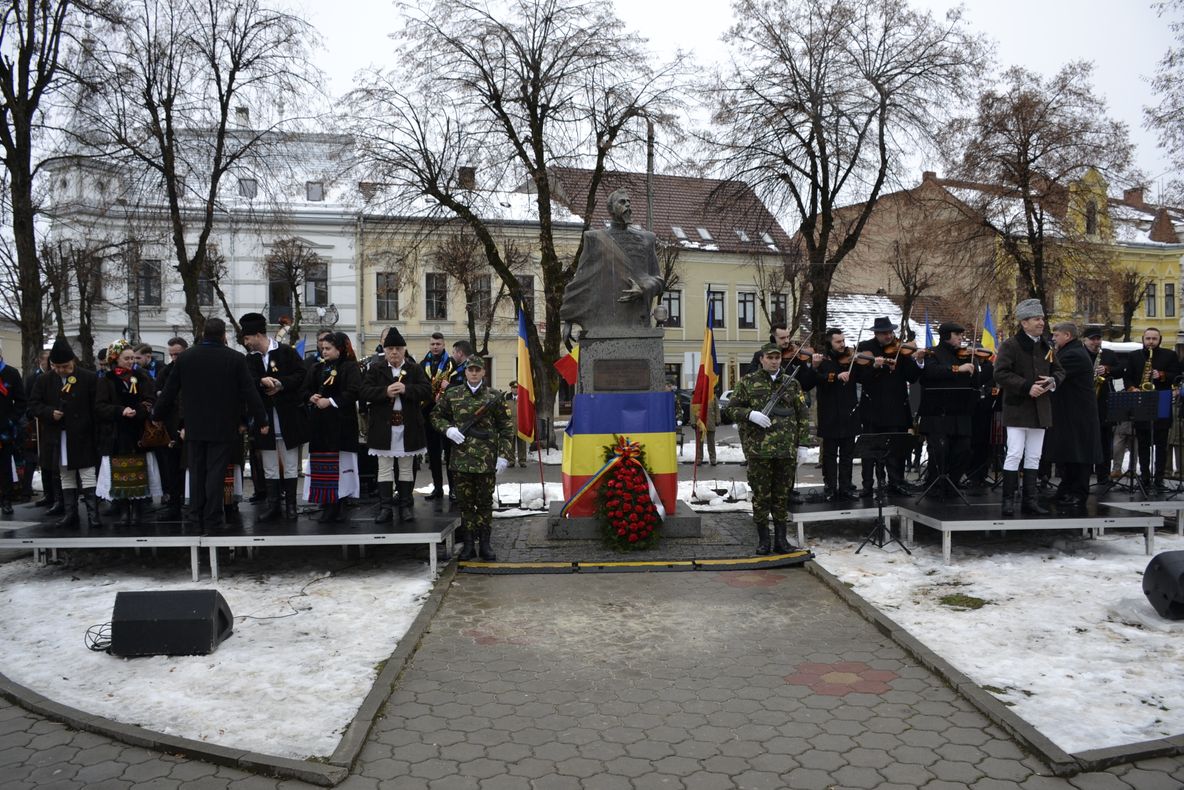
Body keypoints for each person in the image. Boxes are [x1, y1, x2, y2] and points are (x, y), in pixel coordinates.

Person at [154, 318, 268, 529]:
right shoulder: (234, 358)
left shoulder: (186, 358)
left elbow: (170, 391)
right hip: (223, 426)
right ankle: (213, 517)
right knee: (216, 472)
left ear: (204, 333)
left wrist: (156, 415)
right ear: (224, 335)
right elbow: (249, 392)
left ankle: (195, 515)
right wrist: (261, 419)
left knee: (196, 470)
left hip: (195, 425)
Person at [724, 343, 808, 555]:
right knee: (761, 496)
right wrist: (750, 414)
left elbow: (802, 415)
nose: (774, 361)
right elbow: (731, 409)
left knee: (781, 496)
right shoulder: (748, 382)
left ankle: (781, 541)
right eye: (769, 357)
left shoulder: (792, 383)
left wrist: (804, 445)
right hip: (759, 450)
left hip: (785, 450)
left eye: (777, 358)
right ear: (761, 359)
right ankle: (763, 540)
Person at [431, 355, 512, 561]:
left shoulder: (494, 397)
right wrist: (447, 429)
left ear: (483, 372)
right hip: (461, 461)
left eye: (478, 370)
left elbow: (506, 428)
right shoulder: (453, 394)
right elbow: (435, 416)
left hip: (486, 461)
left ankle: (485, 544)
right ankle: (468, 545)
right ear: (465, 372)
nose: (474, 373)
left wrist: (503, 456)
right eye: (470, 370)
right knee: (465, 505)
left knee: (484, 504)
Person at [560, 188, 663, 337]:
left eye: (629, 202)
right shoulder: (594, 239)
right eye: (622, 202)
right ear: (610, 209)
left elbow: (659, 280)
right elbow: (581, 281)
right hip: (603, 321)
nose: (627, 205)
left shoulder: (647, 239)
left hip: (637, 321)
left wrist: (644, 288)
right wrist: (569, 320)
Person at [993, 299, 1064, 516]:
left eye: (1042, 318)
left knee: (1034, 455)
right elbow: (1000, 373)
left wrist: (1052, 381)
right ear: (1024, 322)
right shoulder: (1010, 345)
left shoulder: (1046, 346)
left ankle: (1030, 501)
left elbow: (1060, 371)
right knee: (1014, 453)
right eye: (1036, 319)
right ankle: (1007, 501)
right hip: (1017, 408)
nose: (1041, 322)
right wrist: (1026, 387)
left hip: (1040, 409)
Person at [29, 337, 106, 528]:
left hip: (83, 434)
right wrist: (49, 413)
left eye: (65, 366)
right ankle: (70, 513)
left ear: (73, 361)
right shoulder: (45, 380)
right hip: (58, 435)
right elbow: (33, 405)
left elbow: (97, 406)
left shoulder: (88, 377)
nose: (61, 370)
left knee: (88, 473)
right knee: (65, 474)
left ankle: (93, 515)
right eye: (56, 366)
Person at [240, 312, 309, 522]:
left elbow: (301, 376)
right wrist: (262, 381)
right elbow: (246, 383)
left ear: (258, 335)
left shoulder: (286, 352)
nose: (246, 343)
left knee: (289, 463)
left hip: (288, 416)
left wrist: (280, 384)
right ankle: (273, 506)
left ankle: (291, 506)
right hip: (264, 419)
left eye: (247, 338)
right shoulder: (249, 359)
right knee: (269, 464)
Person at [363, 326, 431, 523]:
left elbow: (427, 391)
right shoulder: (375, 369)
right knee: (384, 468)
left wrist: (406, 389)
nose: (394, 352)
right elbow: (364, 392)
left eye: (398, 348)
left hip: (407, 426)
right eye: (390, 348)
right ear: (384, 350)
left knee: (405, 467)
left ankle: (406, 506)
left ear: (404, 350)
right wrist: (385, 392)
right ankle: (385, 507)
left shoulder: (414, 368)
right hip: (383, 428)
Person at [95, 339, 161, 525]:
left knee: (140, 470)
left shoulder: (142, 376)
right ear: (115, 359)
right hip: (116, 433)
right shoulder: (106, 379)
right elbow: (100, 406)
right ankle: (123, 508)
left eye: (132, 358)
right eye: (127, 358)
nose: (131, 361)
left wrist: (139, 410)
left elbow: (149, 399)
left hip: (138, 431)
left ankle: (138, 508)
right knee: (121, 472)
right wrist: (120, 410)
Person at [854, 316, 921, 496]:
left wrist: (917, 361)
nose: (889, 336)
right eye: (885, 333)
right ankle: (868, 486)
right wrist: (876, 366)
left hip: (897, 408)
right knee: (870, 450)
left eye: (891, 332)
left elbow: (912, 376)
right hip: (873, 409)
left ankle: (896, 482)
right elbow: (861, 377)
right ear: (876, 333)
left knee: (896, 449)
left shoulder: (901, 350)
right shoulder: (865, 349)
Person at [918, 321, 983, 497]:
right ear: (946, 336)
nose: (961, 338)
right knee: (939, 450)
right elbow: (930, 373)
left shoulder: (966, 356)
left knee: (963, 449)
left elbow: (976, 383)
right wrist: (957, 369)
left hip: (960, 411)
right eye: (957, 335)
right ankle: (935, 484)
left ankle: (953, 482)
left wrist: (976, 367)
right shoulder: (932, 353)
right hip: (938, 412)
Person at [303, 332, 362, 522]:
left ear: (339, 349)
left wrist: (331, 401)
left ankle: (339, 502)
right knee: (322, 467)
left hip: (341, 425)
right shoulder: (316, 368)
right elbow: (304, 389)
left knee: (340, 466)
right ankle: (326, 502)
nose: (324, 351)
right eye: (323, 348)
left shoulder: (350, 367)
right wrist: (310, 397)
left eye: (328, 348)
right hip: (320, 426)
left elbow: (353, 392)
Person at [1042, 322, 1102, 509]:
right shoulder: (1069, 351)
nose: (1053, 338)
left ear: (1067, 335)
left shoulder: (1073, 354)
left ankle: (1078, 493)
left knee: (1079, 456)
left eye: (1056, 335)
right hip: (1070, 413)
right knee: (1068, 455)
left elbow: (1051, 373)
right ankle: (1066, 490)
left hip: (1079, 415)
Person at [810, 328, 859, 501]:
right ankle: (830, 486)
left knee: (847, 454)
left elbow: (864, 377)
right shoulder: (823, 361)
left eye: (843, 341)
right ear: (829, 343)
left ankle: (846, 486)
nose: (843, 345)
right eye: (838, 342)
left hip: (849, 414)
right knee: (829, 454)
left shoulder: (851, 360)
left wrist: (873, 364)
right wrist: (834, 375)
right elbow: (813, 380)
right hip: (830, 414)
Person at [1130, 327, 1180, 492]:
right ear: (1143, 339)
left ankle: (1159, 478)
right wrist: (1132, 388)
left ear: (1160, 340)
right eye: (1148, 338)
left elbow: (1178, 375)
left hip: (1162, 401)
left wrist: (1163, 375)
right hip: (1141, 401)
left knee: (1161, 443)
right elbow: (1127, 377)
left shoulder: (1170, 355)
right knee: (1143, 443)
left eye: (1154, 339)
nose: (1151, 342)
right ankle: (1144, 476)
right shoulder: (1134, 356)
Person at [1082, 326, 1124, 486]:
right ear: (1085, 340)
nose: (1095, 342)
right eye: (1092, 339)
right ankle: (1084, 475)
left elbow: (1120, 370)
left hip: (1103, 403)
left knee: (1105, 442)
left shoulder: (1107, 354)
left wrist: (1107, 369)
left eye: (1098, 338)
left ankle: (1103, 475)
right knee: (1086, 441)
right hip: (1085, 403)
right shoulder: (1081, 353)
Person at [155, 337, 189, 519]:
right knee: (172, 467)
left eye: (178, 354)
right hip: (170, 425)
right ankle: (174, 504)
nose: (174, 358)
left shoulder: (193, 370)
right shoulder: (165, 372)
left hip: (189, 424)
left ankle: (191, 502)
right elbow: (159, 395)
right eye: (171, 355)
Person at [421, 332, 456, 500]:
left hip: (448, 415)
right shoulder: (422, 364)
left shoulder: (452, 364)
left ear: (444, 345)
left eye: (438, 344)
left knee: (450, 454)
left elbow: (459, 387)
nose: (435, 347)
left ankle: (454, 489)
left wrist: (448, 388)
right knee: (433, 455)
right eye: (432, 344)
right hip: (428, 413)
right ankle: (437, 488)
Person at [23, 349, 53, 509]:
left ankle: (55, 493)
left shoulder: (55, 377)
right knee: (39, 458)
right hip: (37, 423)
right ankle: (45, 492)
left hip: (50, 421)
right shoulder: (33, 378)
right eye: (47, 360)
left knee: (52, 459)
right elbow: (28, 400)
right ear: (40, 361)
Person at [0, 343, 26, 515]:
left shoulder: (10, 373)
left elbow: (21, 401)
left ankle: (6, 499)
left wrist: (11, 420)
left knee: (4, 467)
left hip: (4, 429)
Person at [693, 387, 720, 467]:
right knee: (699, 443)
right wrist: (693, 421)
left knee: (711, 442)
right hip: (699, 422)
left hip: (710, 421)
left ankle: (712, 458)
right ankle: (699, 458)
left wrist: (717, 419)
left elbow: (716, 408)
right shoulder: (696, 396)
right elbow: (692, 409)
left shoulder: (712, 395)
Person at [506, 381, 531, 467]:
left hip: (521, 425)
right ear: (511, 389)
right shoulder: (507, 399)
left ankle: (522, 461)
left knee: (522, 445)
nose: (515, 390)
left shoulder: (523, 399)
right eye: (513, 388)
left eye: (517, 388)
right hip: (510, 425)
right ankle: (511, 461)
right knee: (510, 445)